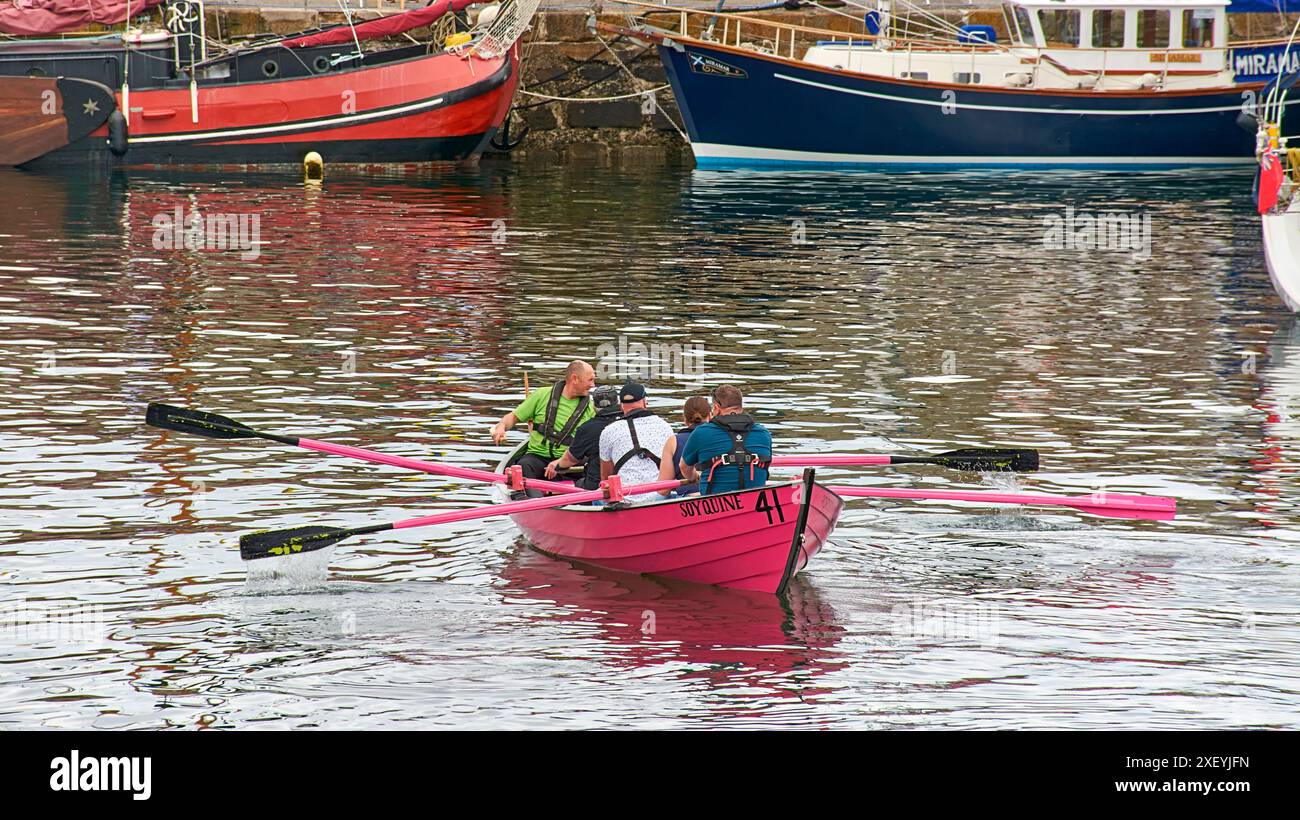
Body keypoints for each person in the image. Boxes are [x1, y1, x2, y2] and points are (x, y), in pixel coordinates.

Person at [491, 360, 596, 497]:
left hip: (570, 462)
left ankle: (579, 499)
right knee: (524, 466)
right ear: (574, 378)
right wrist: (501, 427)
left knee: (593, 469)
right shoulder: (541, 395)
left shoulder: (591, 407)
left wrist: (561, 463)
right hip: (538, 458)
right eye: (590, 380)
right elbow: (512, 417)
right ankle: (536, 503)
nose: (593, 385)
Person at [671, 384, 772, 496]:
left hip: (713, 505)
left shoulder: (702, 432)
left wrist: (694, 477)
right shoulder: (764, 433)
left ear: (716, 408)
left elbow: (684, 467)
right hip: (755, 500)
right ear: (741, 408)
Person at [598, 381, 674, 503]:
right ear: (645, 402)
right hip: (658, 497)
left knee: (597, 497)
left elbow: (606, 477)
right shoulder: (665, 427)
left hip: (622, 499)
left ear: (621, 406)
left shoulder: (609, 431)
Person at [543, 385, 621, 490]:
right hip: (631, 481)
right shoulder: (631, 421)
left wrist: (557, 465)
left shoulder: (587, 428)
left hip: (598, 485)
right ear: (618, 402)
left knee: (578, 483)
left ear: (594, 406)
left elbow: (569, 460)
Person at [655, 395, 710, 496]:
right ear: (710, 416)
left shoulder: (673, 441)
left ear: (684, 419)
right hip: (716, 496)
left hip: (686, 499)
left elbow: (663, 490)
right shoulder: (720, 436)